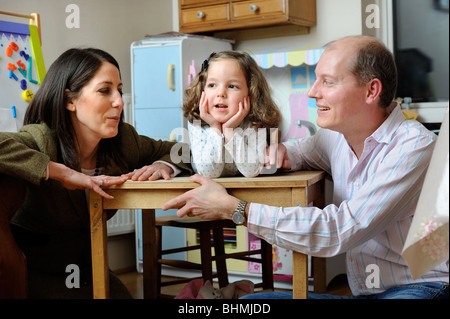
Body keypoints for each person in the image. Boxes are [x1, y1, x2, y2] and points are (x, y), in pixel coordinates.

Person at [163, 36, 449, 299]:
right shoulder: (335, 138)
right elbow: (302, 151)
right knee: (249, 303)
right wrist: (283, 151)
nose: (313, 92)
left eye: (327, 82)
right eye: (315, 80)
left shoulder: (413, 147)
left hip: (424, 288)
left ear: (371, 90)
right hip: (365, 295)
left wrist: (236, 209)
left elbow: (339, 229)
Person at [0, 48, 192, 298]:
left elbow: (184, 150)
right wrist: (61, 172)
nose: (119, 101)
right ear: (70, 100)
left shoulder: (124, 141)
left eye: (120, 90)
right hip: (30, 275)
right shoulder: (40, 139)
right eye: (105, 90)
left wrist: (163, 165)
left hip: (91, 270)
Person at [183, 51, 281, 178]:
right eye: (212, 85)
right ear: (202, 90)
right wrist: (215, 129)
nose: (221, 93)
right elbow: (209, 173)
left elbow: (252, 171)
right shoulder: (197, 121)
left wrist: (229, 131)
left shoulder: (254, 122)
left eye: (232, 86)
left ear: (252, 93)